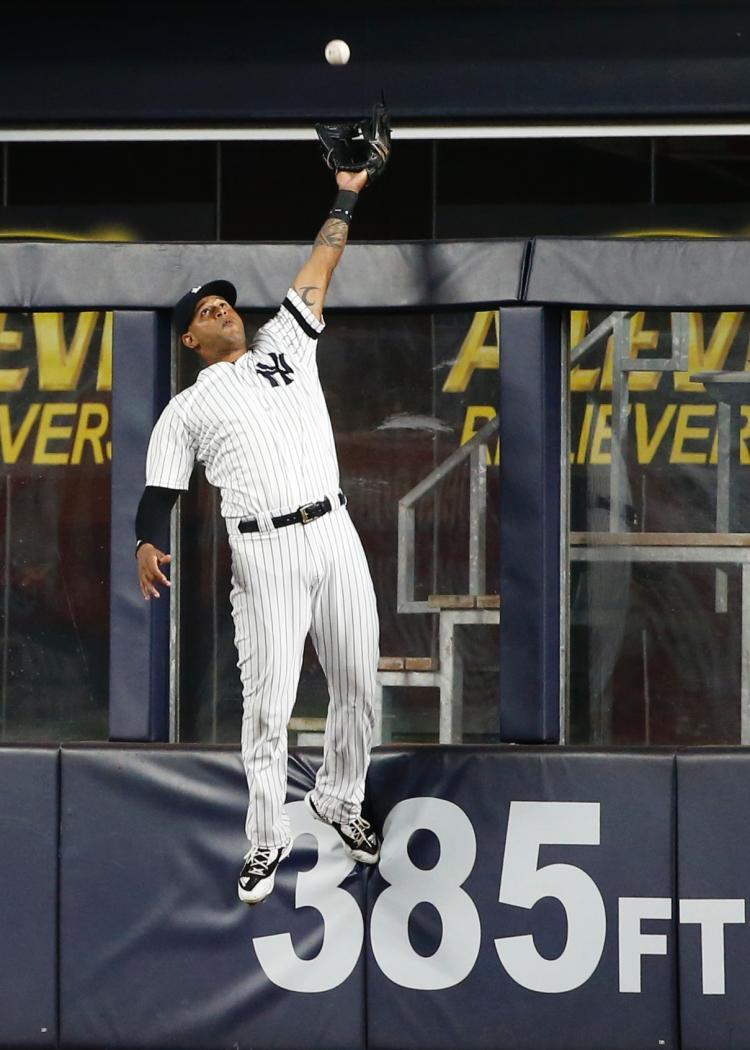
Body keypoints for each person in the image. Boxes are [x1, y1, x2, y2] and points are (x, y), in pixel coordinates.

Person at [134, 168, 381, 905]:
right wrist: (146, 543)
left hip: (334, 531)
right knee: (269, 706)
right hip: (265, 552)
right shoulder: (185, 410)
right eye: (206, 310)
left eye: (224, 302)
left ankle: (340, 798)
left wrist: (347, 192)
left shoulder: (286, 342)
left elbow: (321, 265)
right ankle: (267, 838)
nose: (221, 309)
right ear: (191, 338)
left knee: (359, 683)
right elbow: (158, 495)